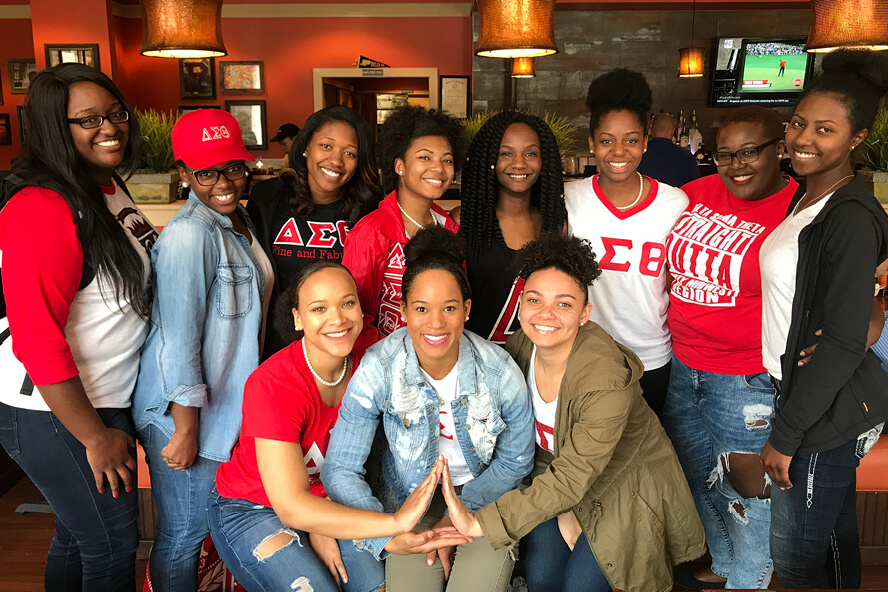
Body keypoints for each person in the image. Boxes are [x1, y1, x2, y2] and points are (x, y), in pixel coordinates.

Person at [439, 233, 706, 592]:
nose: (545, 314)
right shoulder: (519, 348)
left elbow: (578, 473)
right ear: (521, 304)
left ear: (584, 313)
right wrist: (565, 507)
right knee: (542, 575)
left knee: (581, 585)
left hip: (621, 484)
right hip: (556, 476)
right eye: (534, 300)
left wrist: (478, 524)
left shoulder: (604, 377)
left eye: (563, 304)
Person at [0, 63, 157, 591]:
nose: (109, 128)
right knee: (111, 542)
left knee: (76, 534)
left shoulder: (105, 187)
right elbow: (36, 336)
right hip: (52, 409)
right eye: (87, 119)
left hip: (103, 395)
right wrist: (93, 435)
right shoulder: (42, 206)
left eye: (115, 114)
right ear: (53, 127)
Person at [208, 260, 454, 592]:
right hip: (253, 507)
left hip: (335, 500)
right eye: (319, 308)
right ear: (297, 318)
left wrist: (324, 523)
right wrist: (391, 526)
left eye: (347, 303)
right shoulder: (274, 384)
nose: (337, 319)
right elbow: (293, 505)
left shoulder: (374, 356)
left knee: (379, 587)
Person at [323, 226, 534, 592]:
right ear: (403, 310)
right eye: (421, 308)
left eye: (449, 308)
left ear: (466, 310)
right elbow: (340, 468)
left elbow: (516, 460)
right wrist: (385, 533)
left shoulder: (499, 372)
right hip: (408, 501)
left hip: (483, 497)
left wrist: (464, 513)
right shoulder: (379, 367)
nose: (435, 323)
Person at [759, 49, 888, 589]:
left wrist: (785, 436)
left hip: (823, 408)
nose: (803, 138)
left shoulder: (851, 215)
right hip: (808, 391)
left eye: (825, 129)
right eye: (798, 123)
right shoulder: (808, 199)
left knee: (795, 560)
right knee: (833, 541)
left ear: (856, 139)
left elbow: (841, 339)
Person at [132, 108, 270, 591]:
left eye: (232, 167)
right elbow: (177, 336)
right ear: (183, 173)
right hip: (185, 412)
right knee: (183, 535)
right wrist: (185, 426)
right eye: (206, 171)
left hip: (222, 405)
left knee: (203, 530)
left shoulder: (237, 219)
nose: (223, 181)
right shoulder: (191, 232)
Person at [662, 106, 798, 590]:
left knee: (750, 491)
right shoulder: (694, 195)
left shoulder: (796, 210)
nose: (737, 165)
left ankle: (749, 578)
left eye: (750, 152)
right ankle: (722, 561)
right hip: (684, 365)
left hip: (745, 378)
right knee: (697, 475)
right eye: (725, 155)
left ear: (778, 149)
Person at [565, 68, 689, 416]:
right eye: (606, 140)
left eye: (631, 140)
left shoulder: (675, 203)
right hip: (586, 354)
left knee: (648, 460)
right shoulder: (568, 199)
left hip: (652, 357)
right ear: (591, 142)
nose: (618, 151)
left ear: (646, 142)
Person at [248, 105, 382, 358]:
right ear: (306, 146)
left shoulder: (369, 210)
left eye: (350, 153)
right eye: (326, 146)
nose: (336, 161)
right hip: (280, 346)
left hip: (343, 346)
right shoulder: (268, 199)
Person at [342, 105, 465, 338]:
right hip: (387, 364)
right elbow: (356, 315)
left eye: (446, 160)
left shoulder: (449, 226)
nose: (438, 168)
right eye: (425, 157)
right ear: (400, 166)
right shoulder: (370, 231)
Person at [451, 111, 567, 344]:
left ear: (544, 161)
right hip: (475, 359)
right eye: (506, 153)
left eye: (531, 153)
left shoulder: (556, 224)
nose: (519, 163)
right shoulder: (464, 220)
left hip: (535, 360)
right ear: (490, 160)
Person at [637, 112, 701, 188]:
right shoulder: (686, 156)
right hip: (678, 199)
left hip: (645, 199)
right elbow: (696, 186)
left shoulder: (639, 153)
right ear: (673, 131)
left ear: (650, 131)